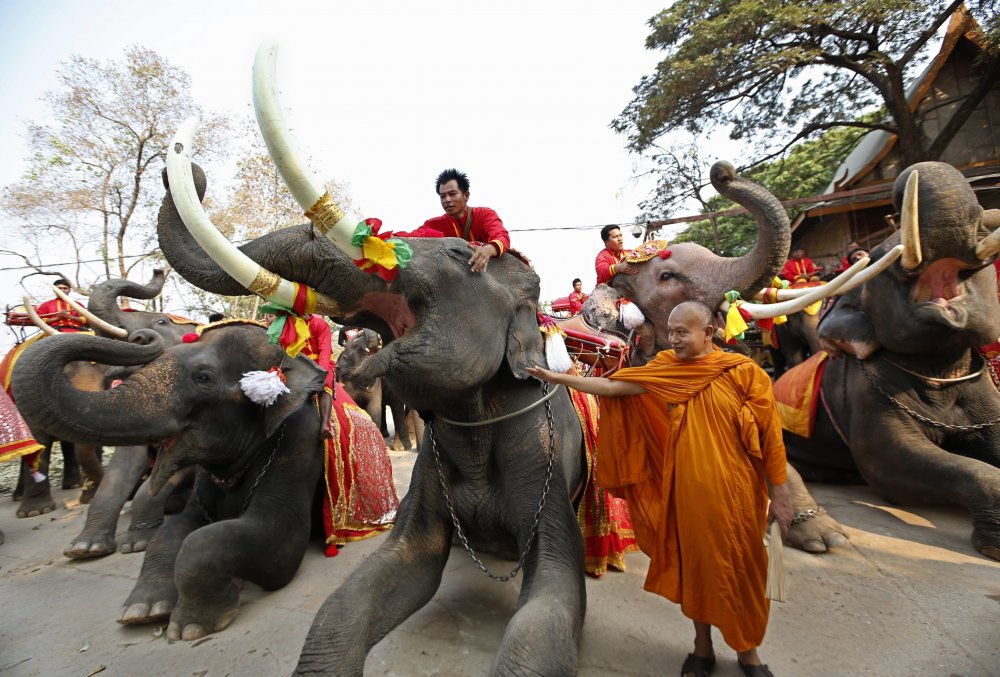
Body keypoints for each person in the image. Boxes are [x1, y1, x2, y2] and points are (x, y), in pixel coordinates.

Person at [527, 301, 792, 677]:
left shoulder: (745, 374)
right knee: (694, 569)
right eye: (671, 331)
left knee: (741, 570)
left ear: (708, 333)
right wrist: (561, 379)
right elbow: (614, 386)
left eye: (682, 332)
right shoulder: (668, 367)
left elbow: (771, 439)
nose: (674, 339)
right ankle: (703, 647)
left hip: (741, 497)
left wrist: (780, 494)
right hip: (686, 493)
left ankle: (748, 652)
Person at [408, 168, 510, 273]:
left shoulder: (485, 215)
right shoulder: (434, 224)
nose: (447, 200)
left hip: (492, 276)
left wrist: (489, 249)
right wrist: (391, 238)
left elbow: (501, 236)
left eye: (452, 194)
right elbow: (412, 236)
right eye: (442, 196)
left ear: (466, 195)